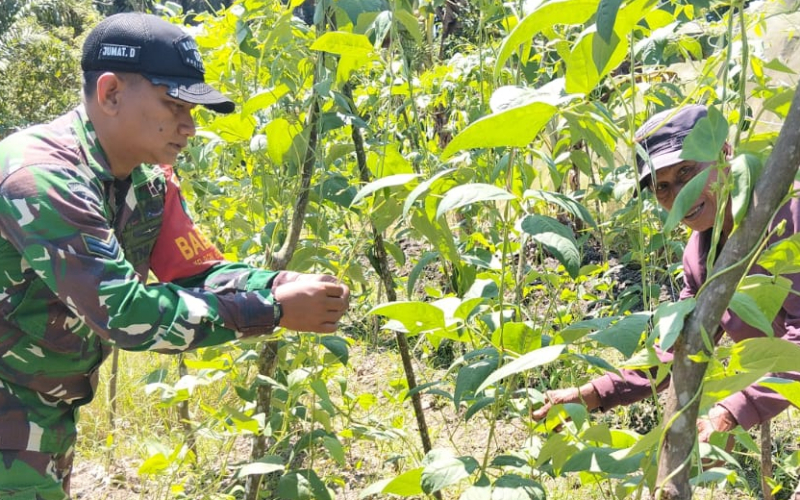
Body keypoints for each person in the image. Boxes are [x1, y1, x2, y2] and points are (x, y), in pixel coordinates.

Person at [0, 12, 350, 499]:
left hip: (46, 406)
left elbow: (195, 271)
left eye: (194, 110)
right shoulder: (39, 178)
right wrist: (274, 310)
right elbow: (125, 314)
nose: (188, 126)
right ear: (111, 94)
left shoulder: (147, 182)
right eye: (173, 105)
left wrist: (274, 283)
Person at [532, 104, 800, 455]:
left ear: (724, 153)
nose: (677, 196)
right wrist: (596, 393)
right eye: (661, 187)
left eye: (687, 172)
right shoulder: (700, 256)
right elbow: (682, 343)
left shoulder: (789, 220)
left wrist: (731, 411)